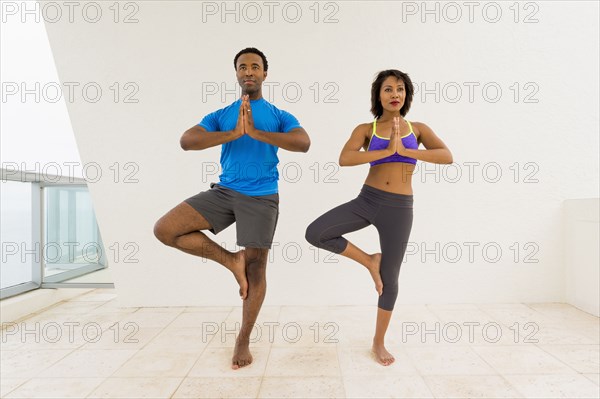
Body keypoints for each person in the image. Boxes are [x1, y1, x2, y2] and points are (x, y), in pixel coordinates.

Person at [154, 47, 310, 369]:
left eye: (255, 66)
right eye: (242, 67)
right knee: (165, 229)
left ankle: (244, 338)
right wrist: (234, 133)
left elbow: (303, 142)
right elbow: (187, 141)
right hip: (224, 192)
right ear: (236, 74)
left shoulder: (280, 115)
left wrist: (255, 133)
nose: (248, 71)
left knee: (257, 270)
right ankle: (231, 261)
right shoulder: (222, 114)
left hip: (262, 196)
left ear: (265, 73)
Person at [305, 69, 452, 366]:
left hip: (399, 208)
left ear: (406, 94)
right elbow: (345, 159)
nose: (394, 94)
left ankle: (378, 342)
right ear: (378, 95)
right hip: (367, 200)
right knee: (316, 232)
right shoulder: (366, 129)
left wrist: (407, 152)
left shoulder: (418, 128)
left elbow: (446, 155)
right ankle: (370, 260)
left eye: (400, 89)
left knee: (391, 279)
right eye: (388, 89)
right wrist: (386, 150)